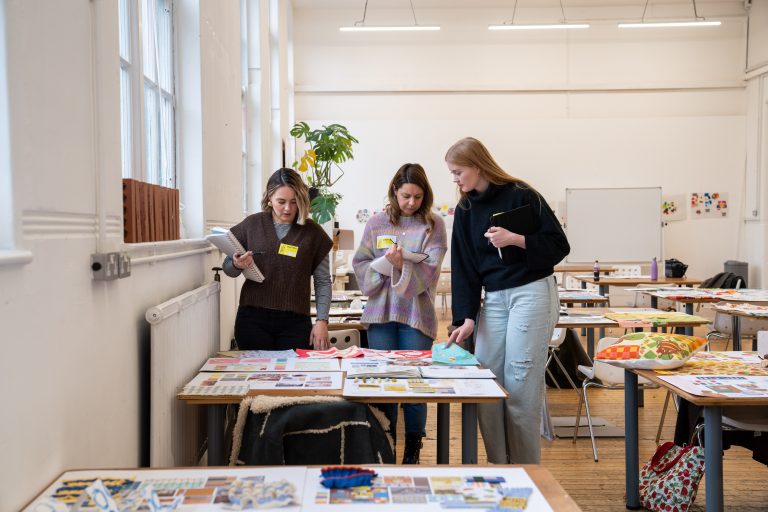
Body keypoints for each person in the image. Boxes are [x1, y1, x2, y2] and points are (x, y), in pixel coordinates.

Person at [445, 137, 570, 464]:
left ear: (477, 165)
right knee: (486, 382)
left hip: (531, 292)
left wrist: (516, 239)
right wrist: (466, 316)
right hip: (495, 299)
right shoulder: (465, 209)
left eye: (458, 172)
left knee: (520, 386)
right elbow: (464, 267)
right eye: (452, 174)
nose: (455, 180)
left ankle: (528, 471)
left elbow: (559, 245)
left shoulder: (522, 195)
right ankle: (499, 467)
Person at [352, 163, 447, 464]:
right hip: (380, 317)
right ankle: (386, 441)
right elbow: (360, 265)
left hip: (416, 318)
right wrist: (385, 267)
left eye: (418, 197)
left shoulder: (434, 225)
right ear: (394, 191)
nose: (411, 203)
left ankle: (413, 447)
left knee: (415, 384)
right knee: (384, 382)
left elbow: (429, 273)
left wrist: (399, 266)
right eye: (406, 195)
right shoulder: (376, 223)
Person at [222, 168, 333, 351]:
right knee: (255, 378)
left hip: (296, 324)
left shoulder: (313, 233)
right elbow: (227, 267)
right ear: (269, 199)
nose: (288, 208)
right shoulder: (251, 225)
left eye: (294, 202)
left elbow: (323, 281)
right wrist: (236, 264)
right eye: (281, 202)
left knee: (294, 378)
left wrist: (322, 321)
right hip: (252, 320)